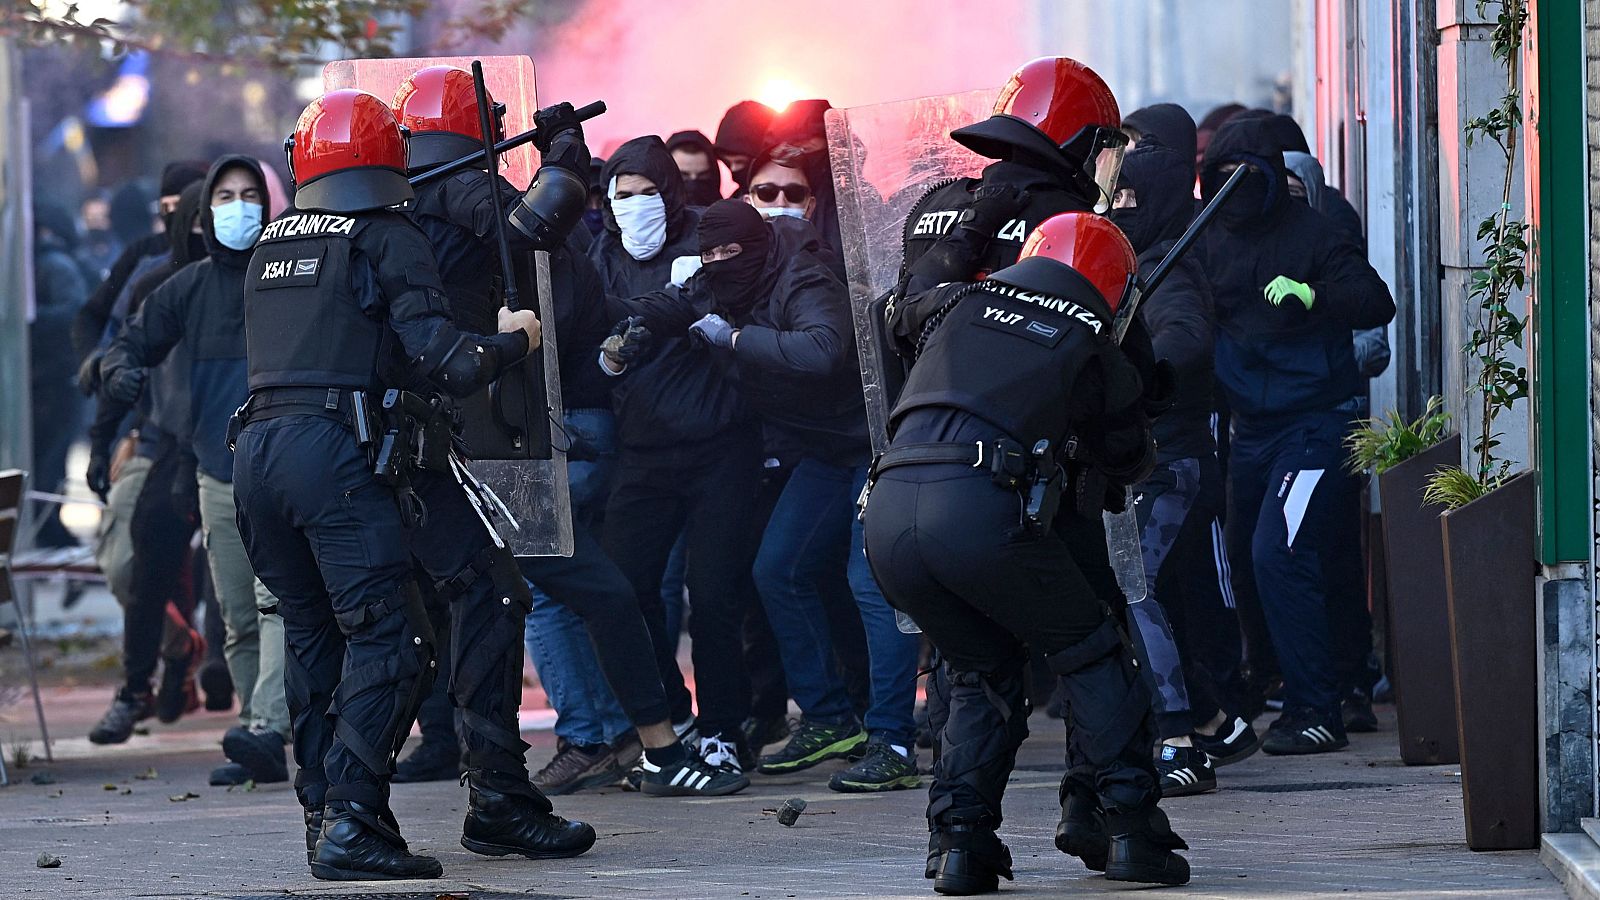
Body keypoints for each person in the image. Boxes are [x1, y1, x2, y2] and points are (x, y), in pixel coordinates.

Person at [231, 89, 591, 880]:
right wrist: (510, 343)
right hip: (349, 456)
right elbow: (445, 361)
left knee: (317, 631)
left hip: (259, 456)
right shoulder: (386, 235)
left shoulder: (271, 241)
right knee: (399, 632)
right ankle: (368, 819)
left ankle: (329, 812)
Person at [389, 65, 746, 798]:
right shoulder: (462, 186)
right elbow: (536, 225)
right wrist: (563, 154)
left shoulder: (396, 203)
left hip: (435, 433)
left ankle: (577, 757)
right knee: (581, 593)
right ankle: (648, 747)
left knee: (496, 599)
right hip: (484, 432)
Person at [863, 212, 1189, 892]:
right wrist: (1136, 381)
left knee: (980, 671)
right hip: (980, 511)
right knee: (1092, 654)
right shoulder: (1087, 334)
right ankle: (1132, 830)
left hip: (887, 513)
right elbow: (1124, 457)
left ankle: (959, 844)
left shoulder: (956, 298)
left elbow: (889, 313)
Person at [672, 201, 920, 791]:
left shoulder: (802, 276)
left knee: (871, 582)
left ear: (756, 245)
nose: (719, 263)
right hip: (826, 452)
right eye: (709, 254)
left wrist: (734, 338)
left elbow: (822, 349)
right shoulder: (716, 286)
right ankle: (830, 718)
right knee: (778, 569)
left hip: (878, 442)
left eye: (730, 251)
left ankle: (892, 740)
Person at [1196, 114, 1395, 756]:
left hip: (1316, 423)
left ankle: (1318, 707)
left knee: (1279, 550)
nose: (1234, 191)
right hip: (1250, 430)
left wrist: (1312, 294)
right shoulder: (1205, 238)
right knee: (1246, 568)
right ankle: (1265, 689)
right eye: (1220, 179)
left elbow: (1374, 301)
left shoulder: (1315, 231)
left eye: (1244, 178)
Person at [97, 155, 294, 786]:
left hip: (285, 468)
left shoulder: (291, 277)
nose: (238, 207)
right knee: (237, 616)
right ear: (205, 211)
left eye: (249, 194)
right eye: (225, 196)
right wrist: (119, 373)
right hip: (216, 472)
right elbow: (127, 343)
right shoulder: (186, 287)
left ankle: (267, 726)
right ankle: (258, 738)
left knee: (277, 605)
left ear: (271, 204)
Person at [589, 137, 768, 774]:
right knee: (624, 587)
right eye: (621, 195)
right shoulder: (602, 256)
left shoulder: (704, 239)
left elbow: (718, 301)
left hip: (721, 445)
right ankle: (671, 717)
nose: (634, 207)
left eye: (647, 193)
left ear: (670, 191)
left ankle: (723, 727)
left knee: (714, 594)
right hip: (642, 450)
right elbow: (592, 330)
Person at [1110, 132, 1255, 797]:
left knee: (1136, 588)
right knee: (1159, 596)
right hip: (1162, 463)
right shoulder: (1144, 261)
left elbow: (1185, 340)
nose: (1121, 209)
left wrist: (1129, 375)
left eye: (1132, 197)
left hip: (1175, 463)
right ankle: (1215, 722)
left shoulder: (1168, 267)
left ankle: (1175, 740)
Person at [85, 182, 210, 744]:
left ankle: (264, 704)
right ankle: (140, 682)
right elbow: (120, 358)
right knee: (138, 564)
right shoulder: (156, 283)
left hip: (240, 444)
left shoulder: (263, 280)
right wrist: (106, 438)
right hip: (163, 443)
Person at [28, 203, 90, 548]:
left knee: (51, 459)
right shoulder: (47, 264)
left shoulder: (55, 265)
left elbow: (72, 312)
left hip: (55, 379)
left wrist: (31, 321)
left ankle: (49, 525)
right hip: (47, 380)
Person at [714, 99, 776, 193]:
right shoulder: (734, 203)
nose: (734, 169)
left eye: (741, 162)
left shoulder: (795, 198)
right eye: (727, 163)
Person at [666, 129, 723, 207]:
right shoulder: (649, 215)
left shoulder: (729, 215)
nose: (693, 184)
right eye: (683, 176)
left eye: (703, 176)